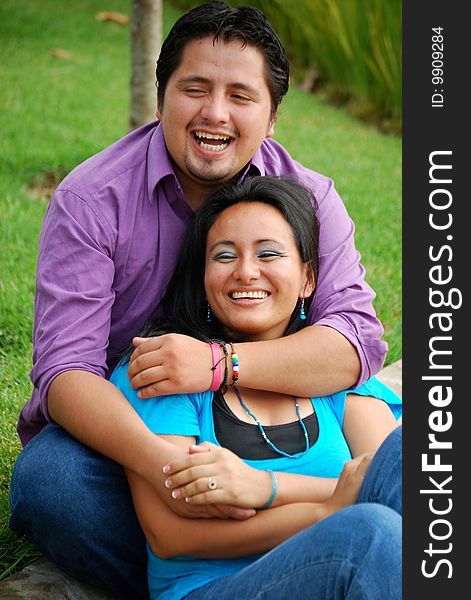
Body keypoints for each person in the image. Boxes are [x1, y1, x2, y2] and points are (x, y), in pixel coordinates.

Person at [10, 2, 390, 598]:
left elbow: (356, 342)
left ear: (272, 117)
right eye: (194, 88)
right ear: (161, 97)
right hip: (138, 431)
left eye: (241, 95)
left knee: (398, 485)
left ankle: (305, 564)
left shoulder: (310, 199)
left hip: (270, 414)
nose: (215, 113)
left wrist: (220, 366)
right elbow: (64, 373)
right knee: (54, 482)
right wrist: (171, 474)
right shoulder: (91, 200)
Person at [110, 175, 402, 600]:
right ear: (204, 277)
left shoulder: (332, 377)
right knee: (370, 535)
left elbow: (383, 486)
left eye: (268, 253)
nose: (246, 271)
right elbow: (171, 534)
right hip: (215, 588)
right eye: (224, 256)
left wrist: (265, 487)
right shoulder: (168, 371)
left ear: (307, 279)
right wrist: (326, 509)